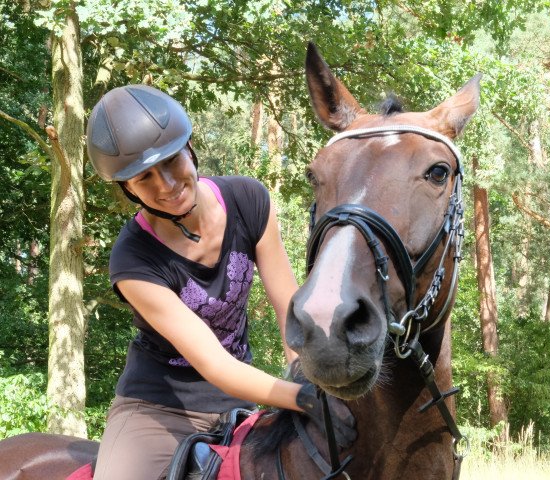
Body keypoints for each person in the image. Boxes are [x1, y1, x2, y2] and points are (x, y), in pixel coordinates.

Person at [86, 85, 355, 480]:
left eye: (171, 161)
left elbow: (288, 307)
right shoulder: (132, 259)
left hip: (240, 397)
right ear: (128, 189)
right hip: (158, 407)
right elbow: (212, 362)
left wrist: (305, 374)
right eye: (144, 178)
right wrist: (302, 397)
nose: (165, 185)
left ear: (190, 148)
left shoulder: (249, 199)